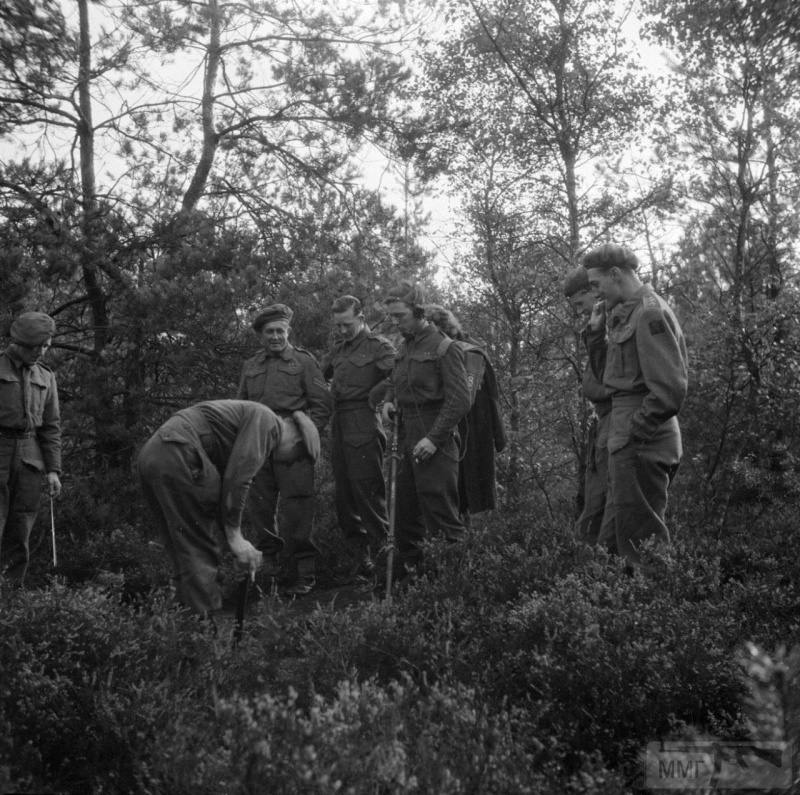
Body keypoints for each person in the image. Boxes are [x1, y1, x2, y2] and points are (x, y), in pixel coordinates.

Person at [137, 400, 320, 615]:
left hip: (152, 455)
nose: (287, 464)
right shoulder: (268, 422)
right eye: (294, 459)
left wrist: (235, 546)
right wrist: (235, 537)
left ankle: (184, 625)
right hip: (179, 452)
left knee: (182, 548)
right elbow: (237, 479)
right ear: (297, 439)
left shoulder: (247, 421)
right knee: (200, 548)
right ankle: (206, 636)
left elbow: (224, 486)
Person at [582, 244, 688, 566]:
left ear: (615, 274)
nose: (596, 294)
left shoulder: (649, 312)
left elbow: (669, 389)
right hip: (628, 436)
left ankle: (653, 607)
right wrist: (596, 335)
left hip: (641, 440)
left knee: (643, 541)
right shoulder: (624, 313)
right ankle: (624, 608)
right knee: (617, 540)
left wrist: (633, 433)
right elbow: (609, 382)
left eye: (597, 284)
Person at [236, 303, 332, 596]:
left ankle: (304, 574)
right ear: (260, 335)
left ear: (288, 332)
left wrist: (303, 436)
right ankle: (271, 573)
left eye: (280, 331)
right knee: (260, 509)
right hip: (259, 445)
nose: (275, 337)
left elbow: (322, 405)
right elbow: (241, 405)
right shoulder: (251, 365)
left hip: (294, 446)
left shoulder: (303, 362)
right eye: (269, 332)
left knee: (298, 509)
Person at [380, 282, 472, 577]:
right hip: (405, 433)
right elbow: (395, 380)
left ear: (418, 312)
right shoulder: (405, 346)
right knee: (404, 509)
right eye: (392, 317)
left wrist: (433, 439)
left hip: (437, 437)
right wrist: (388, 402)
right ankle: (415, 577)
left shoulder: (445, 347)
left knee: (440, 511)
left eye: (400, 316)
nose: (395, 323)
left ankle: (454, 582)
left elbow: (460, 399)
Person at [321, 295, 396, 590]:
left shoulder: (378, 346)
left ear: (361, 317)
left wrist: (376, 395)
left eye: (347, 324)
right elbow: (318, 376)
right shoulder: (338, 349)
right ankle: (361, 560)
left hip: (363, 420)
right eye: (338, 325)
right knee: (345, 497)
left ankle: (385, 562)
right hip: (339, 422)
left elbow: (398, 374)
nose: (342, 331)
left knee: (368, 492)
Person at [424, 305, 506, 525]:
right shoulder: (457, 350)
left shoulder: (470, 352)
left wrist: (498, 436)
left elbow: (489, 396)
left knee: (466, 491)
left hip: (470, 426)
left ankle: (466, 550)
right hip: (453, 425)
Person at [0, 311, 62, 586]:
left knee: (20, 531)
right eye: (35, 346)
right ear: (19, 342)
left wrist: (53, 470)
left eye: (45, 346)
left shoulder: (46, 377)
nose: (40, 352)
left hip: (30, 458)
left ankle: (11, 600)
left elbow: (50, 427)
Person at [562, 267, 615, 547]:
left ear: (593, 292)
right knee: (594, 502)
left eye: (580, 304)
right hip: (604, 423)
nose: (579, 312)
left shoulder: (615, 325)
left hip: (615, 421)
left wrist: (596, 335)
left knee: (604, 505)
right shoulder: (601, 325)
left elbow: (611, 377)